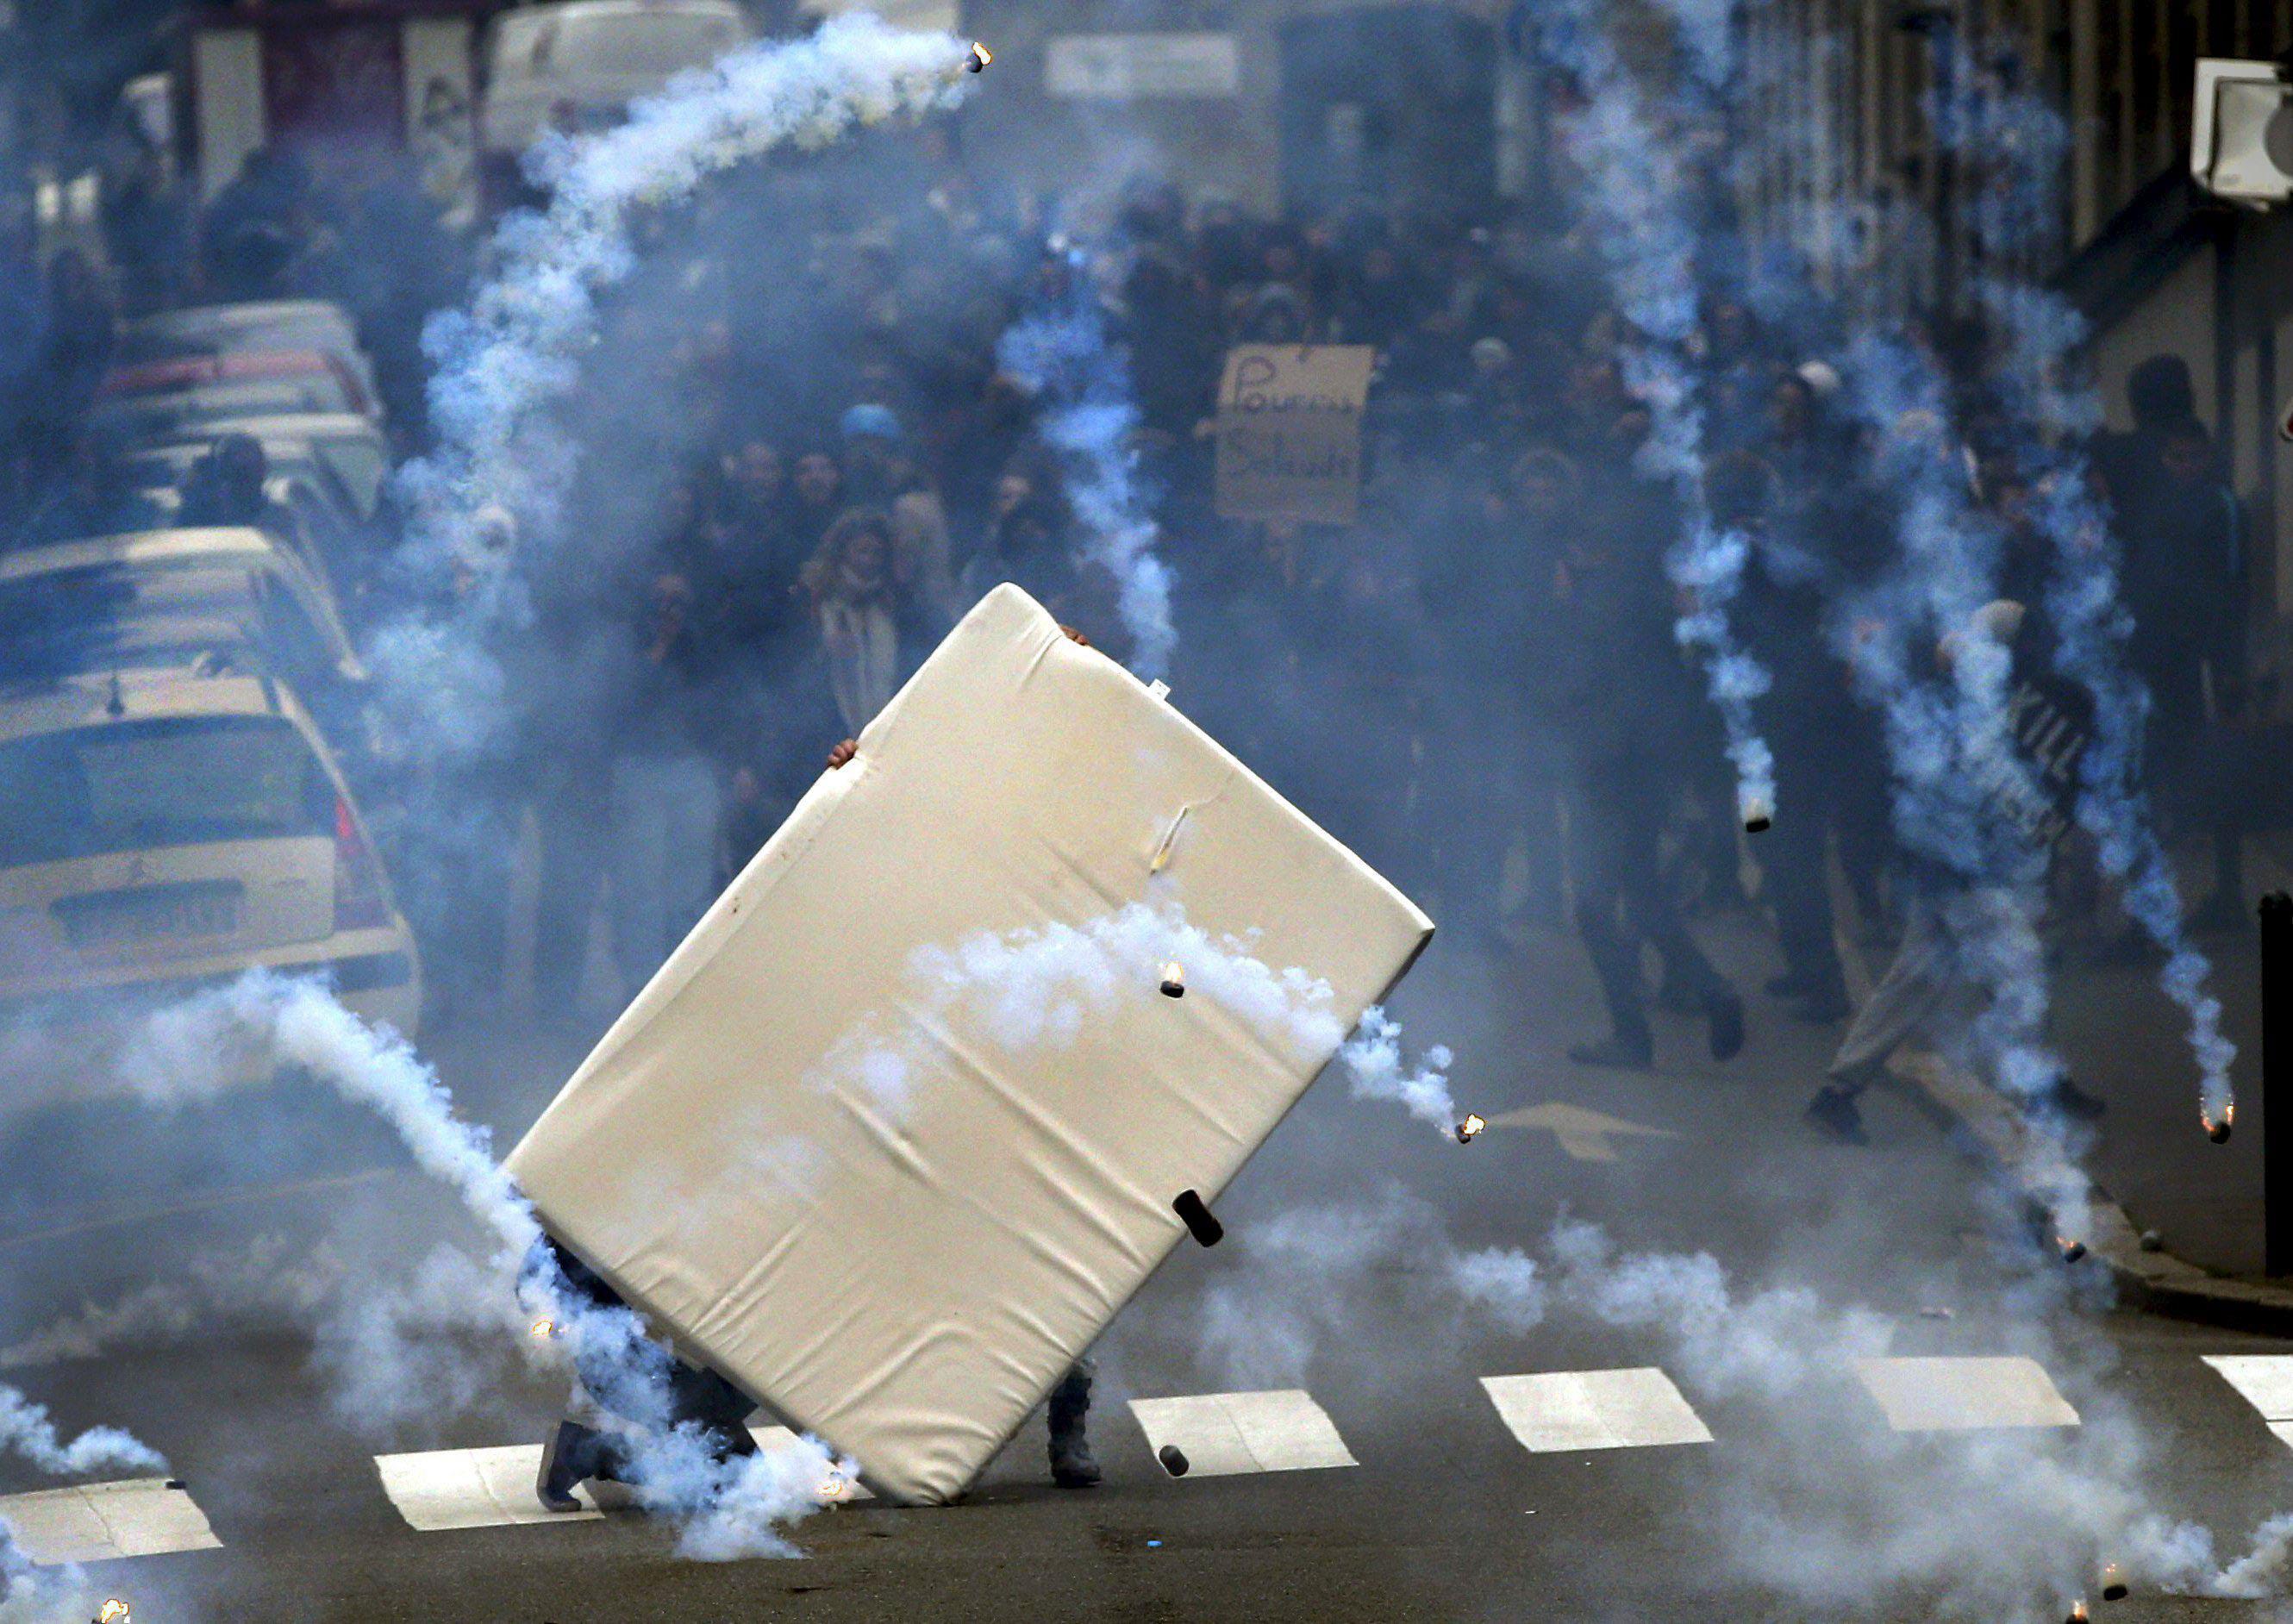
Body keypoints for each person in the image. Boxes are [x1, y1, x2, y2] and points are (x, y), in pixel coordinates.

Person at [822, 629, 1103, 1492]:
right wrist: (844, 780)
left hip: (1041, 1045)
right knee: (924, 1240)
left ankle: (1067, 1423)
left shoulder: (1073, 803)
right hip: (939, 1047)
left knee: (1054, 1242)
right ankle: (922, 1429)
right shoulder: (936, 803)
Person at [1803, 600, 2108, 1142]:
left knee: (1911, 982)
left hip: (1946, 865)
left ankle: (1838, 1093)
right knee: (2020, 979)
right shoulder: (2004, 702)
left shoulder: (1982, 694)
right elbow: (2014, 795)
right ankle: (2044, 1093)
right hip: (1967, 870)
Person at [530, 1235, 762, 1513]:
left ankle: (582, 1451)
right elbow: (533, 1287)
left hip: (675, 1362)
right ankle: (584, 1452)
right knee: (729, 1479)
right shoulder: (575, 1227)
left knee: (745, 1477)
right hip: (631, 1366)